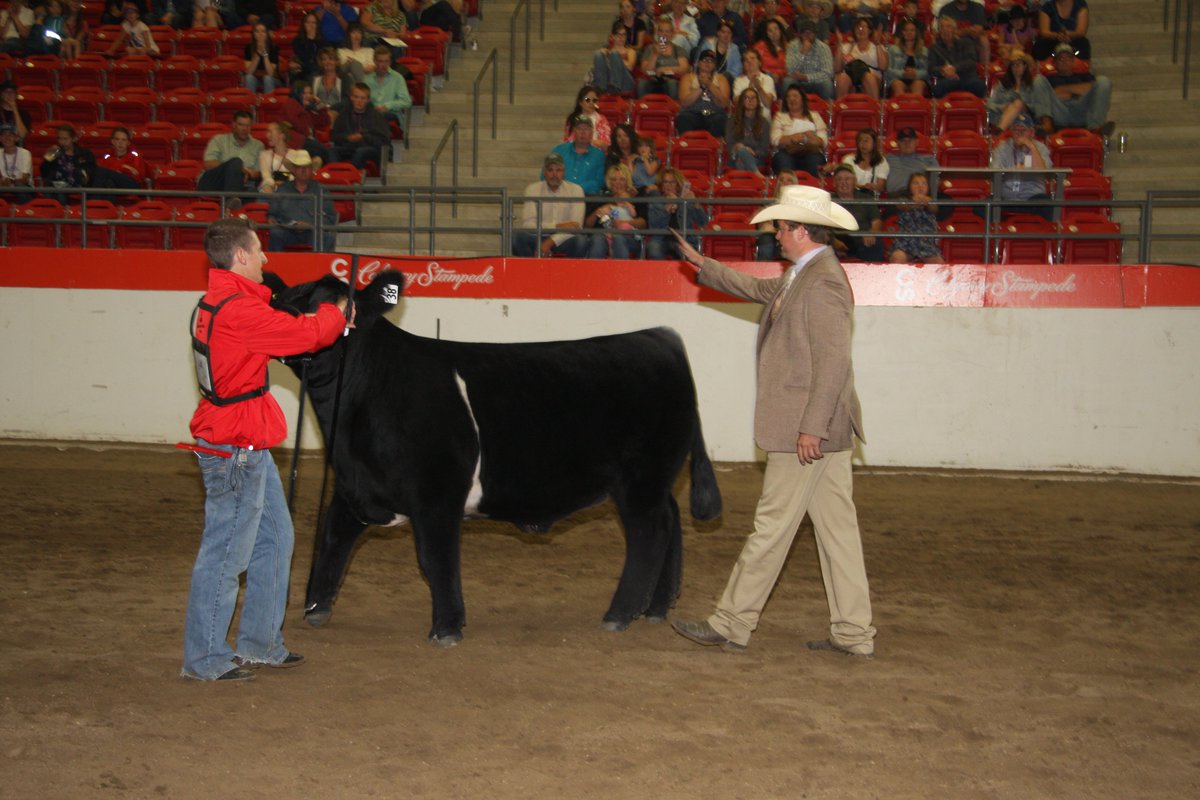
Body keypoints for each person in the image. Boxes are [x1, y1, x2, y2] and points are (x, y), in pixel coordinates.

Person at [668, 184, 876, 658]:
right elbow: (759, 289)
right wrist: (705, 266)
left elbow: (832, 363)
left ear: (801, 230)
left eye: (780, 227)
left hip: (805, 430)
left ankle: (731, 622)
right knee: (838, 534)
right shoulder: (803, 274)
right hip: (825, 431)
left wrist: (811, 427)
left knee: (772, 527)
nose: (775, 235)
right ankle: (853, 633)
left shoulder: (821, 282)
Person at [181, 216, 350, 682]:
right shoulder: (238, 310)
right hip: (236, 445)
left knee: (275, 539)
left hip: (242, 440)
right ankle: (205, 658)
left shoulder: (216, 303)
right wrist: (336, 312)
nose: (265, 259)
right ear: (240, 257)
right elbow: (308, 336)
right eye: (258, 251)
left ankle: (259, 643)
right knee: (226, 553)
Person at [512, 152, 587, 258]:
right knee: (516, 237)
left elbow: (576, 226)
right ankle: (529, 271)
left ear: (564, 172)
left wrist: (549, 242)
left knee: (580, 241)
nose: (554, 174)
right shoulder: (532, 189)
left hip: (564, 238)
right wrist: (558, 226)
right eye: (550, 170)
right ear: (544, 172)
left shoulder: (576, 190)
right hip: (538, 236)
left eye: (558, 170)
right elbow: (528, 225)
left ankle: (568, 273)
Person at [1029, 42, 1113, 136]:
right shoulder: (1047, 79)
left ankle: (1096, 127)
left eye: (1068, 58)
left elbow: (1095, 89)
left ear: (1073, 61)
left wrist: (1062, 90)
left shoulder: (1085, 76)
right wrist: (1077, 92)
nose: (1064, 61)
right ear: (1055, 62)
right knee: (1038, 80)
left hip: (1081, 110)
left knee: (1103, 81)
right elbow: (1046, 97)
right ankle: (1047, 125)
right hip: (1058, 112)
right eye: (1061, 58)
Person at [266, 149, 337, 250]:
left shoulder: (321, 190)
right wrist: (273, 219)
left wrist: (310, 225)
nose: (303, 170)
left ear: (312, 169)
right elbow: (272, 213)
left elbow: (330, 218)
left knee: (326, 237)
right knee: (276, 234)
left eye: (307, 167)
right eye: (299, 167)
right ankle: (275, 265)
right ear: (294, 170)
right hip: (287, 230)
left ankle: (319, 265)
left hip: (313, 231)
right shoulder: (283, 189)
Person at [991, 111, 1054, 220]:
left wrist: (1031, 146)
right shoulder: (1002, 147)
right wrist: (1012, 171)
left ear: (1032, 132)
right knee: (983, 206)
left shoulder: (1041, 148)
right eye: (1016, 129)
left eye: (1023, 130)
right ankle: (995, 236)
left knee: (1048, 205)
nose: (1019, 133)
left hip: (1032, 199)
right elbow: (994, 172)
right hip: (1006, 199)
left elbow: (1044, 172)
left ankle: (1043, 236)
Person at [198, 111, 264, 201]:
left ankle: (232, 202)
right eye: (241, 125)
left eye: (248, 126)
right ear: (233, 125)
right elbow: (208, 164)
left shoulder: (258, 145)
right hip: (214, 182)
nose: (244, 129)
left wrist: (248, 174)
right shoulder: (219, 140)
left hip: (243, 185)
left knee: (255, 193)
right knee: (236, 162)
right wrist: (238, 169)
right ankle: (232, 199)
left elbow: (259, 173)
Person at [645, 166, 708, 259]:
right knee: (653, 249)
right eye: (665, 182)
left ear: (678, 184)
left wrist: (695, 203)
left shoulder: (686, 200)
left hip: (684, 240)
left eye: (672, 182)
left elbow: (703, 222)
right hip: (661, 240)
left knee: (686, 253)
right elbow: (652, 225)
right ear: (662, 185)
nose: (668, 185)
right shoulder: (656, 202)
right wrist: (666, 210)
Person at [584, 162, 645, 259]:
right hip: (604, 235)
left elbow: (643, 223)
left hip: (628, 237)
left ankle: (621, 272)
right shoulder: (601, 199)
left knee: (618, 238)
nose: (618, 183)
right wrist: (599, 211)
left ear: (627, 181)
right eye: (614, 179)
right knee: (597, 239)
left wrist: (622, 223)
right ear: (609, 182)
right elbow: (587, 225)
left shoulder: (635, 198)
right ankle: (594, 272)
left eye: (622, 179)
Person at [770, 84, 826, 178]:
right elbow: (775, 139)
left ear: (803, 99)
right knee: (782, 160)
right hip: (787, 152)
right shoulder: (780, 116)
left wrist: (809, 138)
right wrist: (793, 138)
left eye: (795, 96)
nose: (792, 99)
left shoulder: (814, 116)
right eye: (788, 97)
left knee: (815, 160)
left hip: (810, 151)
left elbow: (823, 141)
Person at [329, 82, 391, 169]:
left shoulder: (376, 116)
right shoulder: (344, 114)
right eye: (356, 97)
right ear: (351, 98)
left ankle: (354, 177)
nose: (359, 101)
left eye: (363, 98)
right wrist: (347, 137)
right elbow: (334, 136)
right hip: (350, 147)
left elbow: (384, 140)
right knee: (332, 151)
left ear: (368, 100)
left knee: (361, 152)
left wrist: (364, 137)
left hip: (371, 149)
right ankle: (336, 177)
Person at [830, 163, 883, 261]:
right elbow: (820, 227)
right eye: (839, 179)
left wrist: (871, 233)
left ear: (855, 182)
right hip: (837, 240)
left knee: (876, 244)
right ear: (834, 183)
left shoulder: (866, 198)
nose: (843, 182)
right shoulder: (828, 200)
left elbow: (877, 222)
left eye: (847, 179)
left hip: (863, 241)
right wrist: (833, 241)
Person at [888, 171, 943, 263]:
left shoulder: (932, 201)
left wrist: (928, 202)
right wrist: (913, 203)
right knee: (897, 257)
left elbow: (934, 209)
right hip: (906, 242)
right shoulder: (903, 199)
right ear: (909, 187)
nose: (920, 187)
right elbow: (902, 206)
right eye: (916, 183)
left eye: (924, 184)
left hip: (927, 243)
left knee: (938, 262)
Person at [675, 49, 731, 137]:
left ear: (714, 65)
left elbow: (724, 103)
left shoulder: (721, 79)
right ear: (699, 63)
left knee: (721, 119)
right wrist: (701, 87)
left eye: (711, 61)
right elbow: (684, 103)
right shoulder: (688, 78)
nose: (707, 63)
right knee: (683, 118)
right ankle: (686, 146)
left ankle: (714, 148)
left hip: (714, 113)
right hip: (692, 112)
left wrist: (710, 85)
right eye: (705, 60)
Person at [928, 15, 986, 98]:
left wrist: (954, 68)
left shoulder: (967, 43)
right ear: (939, 31)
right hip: (947, 80)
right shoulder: (934, 48)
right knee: (939, 88)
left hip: (967, 77)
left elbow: (971, 61)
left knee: (979, 85)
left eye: (948, 27)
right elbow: (931, 69)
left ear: (955, 30)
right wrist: (944, 71)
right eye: (942, 27)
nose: (945, 30)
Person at [550, 114, 606, 196]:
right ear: (574, 132)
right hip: (558, 195)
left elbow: (599, 182)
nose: (583, 132)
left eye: (586, 129)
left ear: (592, 132)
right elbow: (546, 175)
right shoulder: (559, 150)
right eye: (579, 129)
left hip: (586, 198)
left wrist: (576, 189)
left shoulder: (599, 156)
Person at [362, 44, 412, 134]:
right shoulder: (367, 79)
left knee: (379, 117)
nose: (384, 65)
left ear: (390, 62)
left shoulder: (397, 78)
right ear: (375, 61)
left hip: (391, 114)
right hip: (371, 114)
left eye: (387, 61)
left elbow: (407, 101)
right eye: (381, 61)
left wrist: (387, 106)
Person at [834, 15, 886, 100]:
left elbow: (883, 66)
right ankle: (840, 109)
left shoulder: (877, 47)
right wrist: (839, 44)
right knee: (842, 78)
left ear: (870, 31)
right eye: (858, 27)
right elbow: (836, 68)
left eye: (864, 27)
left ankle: (875, 109)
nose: (860, 29)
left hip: (872, 75)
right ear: (854, 31)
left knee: (869, 77)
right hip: (851, 76)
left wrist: (877, 43)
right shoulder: (846, 47)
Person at [638, 16, 690, 99]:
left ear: (672, 34)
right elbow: (645, 70)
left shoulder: (678, 49)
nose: (664, 34)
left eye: (667, 32)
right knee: (642, 84)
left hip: (671, 80)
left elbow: (684, 68)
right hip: (653, 80)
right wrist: (655, 55)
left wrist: (663, 69)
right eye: (661, 31)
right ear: (657, 33)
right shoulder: (650, 48)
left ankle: (674, 109)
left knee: (672, 84)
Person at [987, 49, 1036, 132]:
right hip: (1003, 119)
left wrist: (1024, 108)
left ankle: (999, 132)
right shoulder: (1002, 85)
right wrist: (1002, 107)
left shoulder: (1033, 85)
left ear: (1024, 66)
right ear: (1010, 68)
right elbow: (989, 104)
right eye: (1013, 64)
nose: (1016, 66)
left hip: (1026, 121)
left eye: (1019, 63)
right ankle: (1000, 130)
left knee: (1019, 103)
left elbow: (1037, 106)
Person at [784, 17, 833, 99]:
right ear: (799, 34)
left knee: (827, 84)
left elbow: (828, 72)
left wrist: (806, 77)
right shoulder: (792, 46)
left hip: (816, 81)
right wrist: (803, 52)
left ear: (815, 34)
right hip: (797, 81)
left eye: (810, 33)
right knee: (787, 82)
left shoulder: (823, 48)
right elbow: (789, 69)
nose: (807, 35)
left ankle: (829, 110)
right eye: (804, 33)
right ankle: (785, 109)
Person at [39, 123, 96, 194]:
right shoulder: (54, 152)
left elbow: (91, 172)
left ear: (73, 139)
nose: (62, 142)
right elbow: (43, 172)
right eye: (59, 138)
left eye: (65, 139)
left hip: (77, 187)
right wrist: (48, 157)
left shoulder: (84, 153)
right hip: (55, 186)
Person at [756, 167, 798, 260]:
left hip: (793, 234)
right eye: (782, 180)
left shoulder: (801, 204)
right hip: (774, 236)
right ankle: (763, 271)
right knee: (766, 235)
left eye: (789, 180)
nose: (785, 183)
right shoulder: (769, 203)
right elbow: (761, 223)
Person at [726, 86, 770, 172]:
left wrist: (753, 152)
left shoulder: (764, 123)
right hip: (736, 157)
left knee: (742, 159)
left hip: (756, 158)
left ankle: (742, 184)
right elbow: (729, 146)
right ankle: (757, 175)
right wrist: (737, 147)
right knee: (741, 153)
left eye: (753, 98)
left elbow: (764, 150)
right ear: (742, 101)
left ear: (758, 101)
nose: (750, 100)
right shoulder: (732, 121)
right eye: (746, 98)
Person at [885, 126, 938, 195]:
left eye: (910, 140)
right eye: (903, 141)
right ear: (897, 144)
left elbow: (934, 182)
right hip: (896, 196)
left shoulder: (929, 160)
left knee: (947, 200)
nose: (907, 143)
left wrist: (932, 201)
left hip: (919, 194)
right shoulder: (889, 158)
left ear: (917, 142)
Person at [593, 19, 640, 96]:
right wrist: (606, 55)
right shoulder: (608, 51)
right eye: (619, 35)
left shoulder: (630, 51)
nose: (621, 37)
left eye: (624, 34)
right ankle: (600, 87)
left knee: (614, 54)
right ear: (613, 36)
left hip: (626, 82)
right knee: (598, 53)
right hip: (608, 81)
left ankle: (615, 86)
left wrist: (616, 56)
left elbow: (630, 67)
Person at [885, 16, 928, 97]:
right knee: (897, 85)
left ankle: (916, 109)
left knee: (918, 85)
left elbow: (927, 71)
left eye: (912, 30)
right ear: (902, 33)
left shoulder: (924, 51)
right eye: (906, 30)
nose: (909, 33)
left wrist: (915, 74)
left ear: (916, 33)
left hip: (917, 78)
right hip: (898, 78)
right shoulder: (893, 49)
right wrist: (903, 73)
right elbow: (888, 70)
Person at [937, 0, 990, 67]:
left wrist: (962, 32)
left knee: (984, 40)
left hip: (974, 41)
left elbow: (979, 29)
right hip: (954, 40)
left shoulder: (978, 7)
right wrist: (967, 31)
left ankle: (984, 72)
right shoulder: (946, 9)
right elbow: (945, 32)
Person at [838, 127, 888, 194]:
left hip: (871, 200)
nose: (863, 143)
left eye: (866, 140)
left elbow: (881, 187)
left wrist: (873, 187)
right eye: (860, 140)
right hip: (851, 197)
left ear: (874, 143)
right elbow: (842, 183)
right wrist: (862, 187)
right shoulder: (849, 160)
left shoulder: (881, 161)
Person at [732, 47, 776, 116]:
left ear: (759, 62)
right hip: (744, 119)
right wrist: (749, 88)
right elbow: (738, 105)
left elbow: (768, 104)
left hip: (763, 120)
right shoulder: (738, 81)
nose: (749, 61)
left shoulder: (768, 79)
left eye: (752, 58)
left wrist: (759, 88)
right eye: (746, 60)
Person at [312, 46, 351, 119]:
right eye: (324, 59)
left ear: (336, 61)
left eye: (331, 59)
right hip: (318, 112)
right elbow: (310, 97)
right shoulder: (314, 78)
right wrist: (322, 109)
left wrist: (331, 109)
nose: (328, 62)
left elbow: (347, 100)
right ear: (320, 62)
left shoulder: (344, 78)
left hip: (339, 113)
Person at [243, 21, 280, 94]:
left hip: (272, 79)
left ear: (267, 34)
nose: (260, 34)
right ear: (254, 34)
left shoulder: (273, 47)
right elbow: (249, 72)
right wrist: (257, 53)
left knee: (267, 78)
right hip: (255, 78)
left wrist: (264, 53)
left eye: (263, 31)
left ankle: (268, 103)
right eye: (257, 31)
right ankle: (251, 103)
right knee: (248, 78)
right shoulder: (248, 47)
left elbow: (271, 73)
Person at [257, 121, 295, 193]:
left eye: (270, 132)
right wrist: (275, 184)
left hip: (290, 189)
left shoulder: (295, 154)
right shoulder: (264, 155)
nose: (267, 135)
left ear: (281, 135)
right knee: (266, 187)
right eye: (268, 132)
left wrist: (284, 184)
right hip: (271, 189)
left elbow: (297, 177)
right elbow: (266, 177)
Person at [751, 17, 789, 84]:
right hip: (763, 77)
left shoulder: (788, 47)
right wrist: (767, 74)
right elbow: (753, 63)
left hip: (781, 80)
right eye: (770, 30)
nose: (774, 32)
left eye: (776, 29)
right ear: (767, 34)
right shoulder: (760, 46)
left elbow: (790, 68)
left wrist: (779, 75)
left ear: (780, 30)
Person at [292, 11, 325, 79]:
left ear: (317, 25)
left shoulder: (322, 40)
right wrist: (310, 39)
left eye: (313, 23)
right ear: (304, 24)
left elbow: (321, 57)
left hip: (318, 68)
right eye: (308, 22)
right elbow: (304, 58)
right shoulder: (297, 41)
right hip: (303, 70)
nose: (311, 25)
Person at [0, 122, 31, 187]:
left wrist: (12, 181)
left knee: (20, 185)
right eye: (3, 135)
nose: (7, 138)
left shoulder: (25, 153)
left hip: (22, 187)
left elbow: (25, 179)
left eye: (10, 135)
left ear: (16, 138)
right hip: (3, 186)